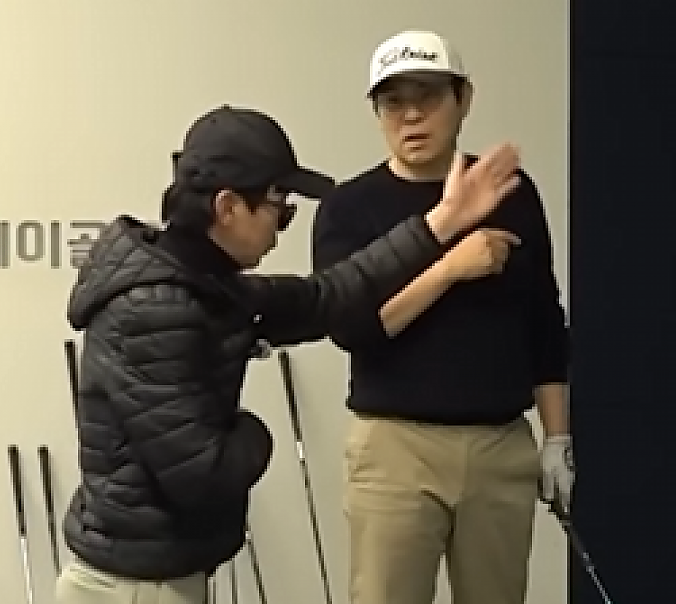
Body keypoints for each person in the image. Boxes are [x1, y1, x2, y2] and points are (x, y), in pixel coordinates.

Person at [53, 104, 524, 604]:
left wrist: (443, 222)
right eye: (280, 209)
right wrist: (253, 431)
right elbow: (205, 476)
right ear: (228, 207)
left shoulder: (205, 286)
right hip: (134, 589)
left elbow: (330, 295)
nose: (282, 228)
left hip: (155, 576)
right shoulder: (158, 309)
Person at [310, 31, 573, 604]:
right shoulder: (349, 207)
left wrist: (557, 437)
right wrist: (449, 268)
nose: (411, 116)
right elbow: (352, 330)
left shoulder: (512, 193)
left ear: (463, 99)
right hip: (395, 447)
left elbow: (544, 321)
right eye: (393, 102)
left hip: (499, 444)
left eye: (427, 96)